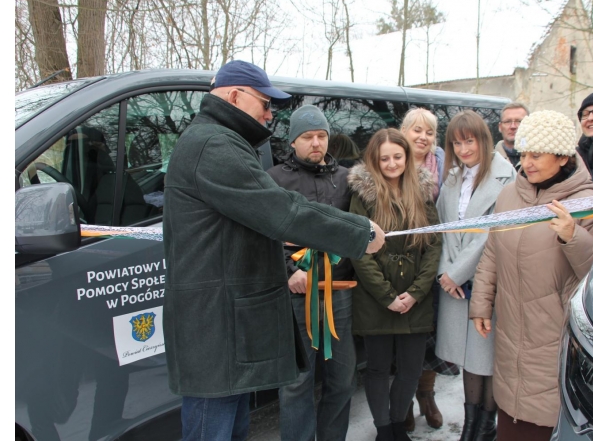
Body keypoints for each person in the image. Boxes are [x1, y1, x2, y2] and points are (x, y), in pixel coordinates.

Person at [162, 60, 385, 441]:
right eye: (264, 103)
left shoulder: (221, 140)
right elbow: (281, 210)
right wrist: (358, 232)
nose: (269, 115)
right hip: (214, 330)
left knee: (232, 429)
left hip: (224, 327)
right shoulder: (214, 144)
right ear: (234, 96)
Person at [469, 110, 593, 441]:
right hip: (510, 330)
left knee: (543, 422)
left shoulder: (589, 204)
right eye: (523, 154)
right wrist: (481, 303)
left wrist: (572, 236)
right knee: (510, 416)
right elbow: (492, 251)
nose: (527, 162)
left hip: (555, 336)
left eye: (537, 154)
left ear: (563, 156)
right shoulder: (510, 195)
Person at [267, 105, 356, 441]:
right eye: (307, 137)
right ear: (293, 141)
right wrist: (288, 270)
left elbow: (359, 229)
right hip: (296, 295)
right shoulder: (275, 180)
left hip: (340, 292)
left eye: (321, 136)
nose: (316, 143)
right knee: (296, 383)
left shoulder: (346, 178)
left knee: (342, 378)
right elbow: (265, 233)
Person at [348, 128, 442, 441]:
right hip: (376, 299)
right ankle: (384, 429)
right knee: (376, 369)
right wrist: (387, 296)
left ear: (407, 158)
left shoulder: (422, 192)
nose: (391, 164)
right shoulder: (363, 195)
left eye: (397, 157)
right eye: (384, 158)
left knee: (411, 370)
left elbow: (434, 246)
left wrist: (415, 293)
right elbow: (360, 250)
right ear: (374, 160)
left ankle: (399, 423)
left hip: (415, 298)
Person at [434, 110, 516, 441]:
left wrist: (456, 272)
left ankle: (485, 426)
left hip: (486, 278)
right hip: (452, 281)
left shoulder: (506, 176)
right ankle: (471, 426)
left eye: (469, 141)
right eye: (456, 143)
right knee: (468, 358)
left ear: (482, 138)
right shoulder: (454, 176)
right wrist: (444, 273)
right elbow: (442, 228)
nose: (464, 149)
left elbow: (491, 233)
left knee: (486, 355)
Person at [398, 107, 455, 431]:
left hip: (434, 261)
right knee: (399, 334)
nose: (422, 137)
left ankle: (426, 395)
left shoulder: (445, 166)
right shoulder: (390, 158)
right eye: (416, 130)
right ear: (403, 132)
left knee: (429, 336)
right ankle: (403, 398)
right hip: (397, 264)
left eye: (429, 132)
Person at [494, 102, 530, 169]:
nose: (513, 126)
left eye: (519, 121)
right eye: (507, 121)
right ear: (500, 127)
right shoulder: (488, 161)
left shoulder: (541, 159)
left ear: (529, 125)